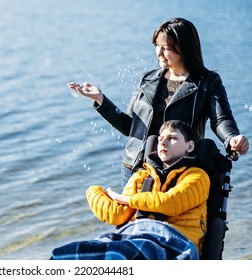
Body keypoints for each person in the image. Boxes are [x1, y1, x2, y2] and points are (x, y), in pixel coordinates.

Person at [68, 18, 249, 188]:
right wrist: (101, 100)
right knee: (131, 221)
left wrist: (231, 137)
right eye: (157, 46)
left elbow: (220, 119)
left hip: (179, 170)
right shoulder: (148, 79)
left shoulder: (207, 81)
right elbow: (130, 127)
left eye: (166, 48)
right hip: (135, 168)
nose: (159, 53)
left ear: (184, 49)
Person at [51, 120, 210, 260]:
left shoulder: (197, 176)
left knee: (120, 255)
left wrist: (124, 199)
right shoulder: (141, 177)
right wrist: (93, 191)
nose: (163, 142)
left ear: (190, 146)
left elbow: (171, 202)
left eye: (172, 138)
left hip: (174, 242)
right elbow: (118, 215)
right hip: (133, 234)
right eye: (160, 138)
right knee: (70, 254)